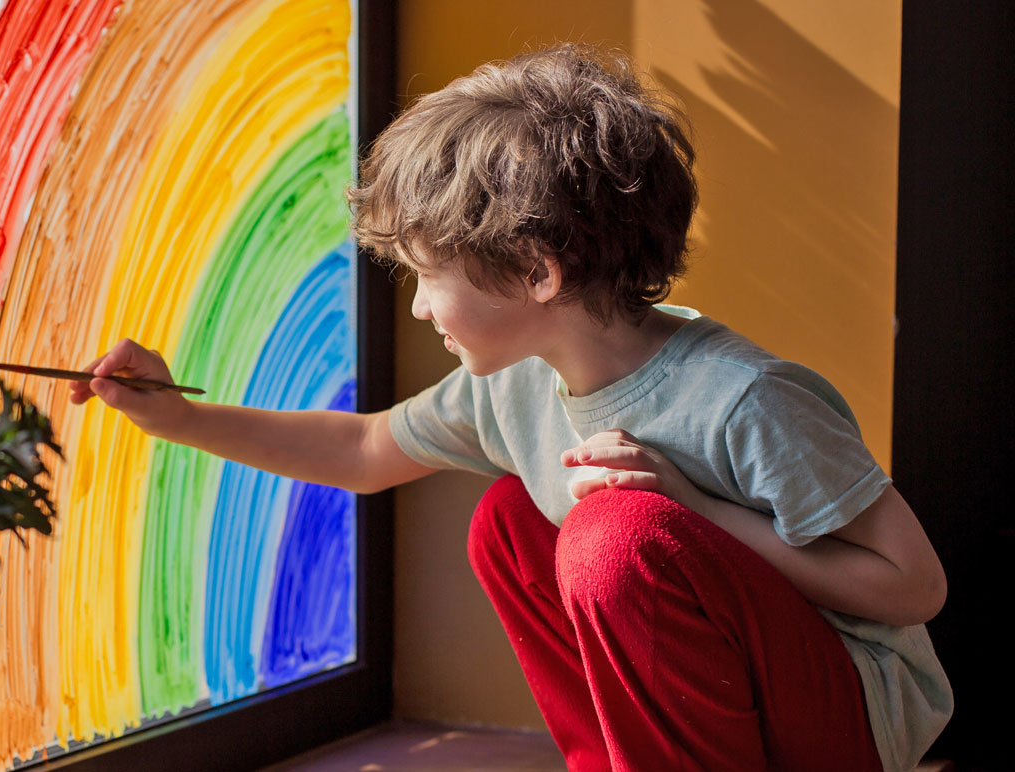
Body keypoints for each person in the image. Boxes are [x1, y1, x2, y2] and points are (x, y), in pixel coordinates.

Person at [68, 44, 951, 772]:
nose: (417, 306)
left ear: (536, 271)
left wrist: (696, 511)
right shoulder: (514, 383)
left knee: (613, 540)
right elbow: (368, 450)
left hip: (849, 724)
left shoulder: (742, 399)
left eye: (427, 275)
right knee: (509, 521)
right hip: (735, 699)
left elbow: (914, 585)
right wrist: (176, 418)